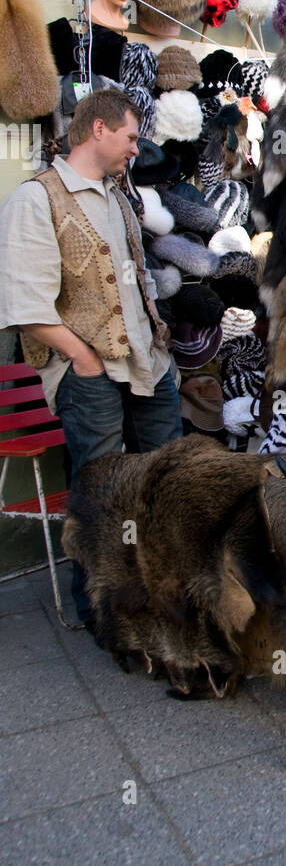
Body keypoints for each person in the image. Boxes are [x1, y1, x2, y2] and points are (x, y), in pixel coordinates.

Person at [0, 88, 182, 626]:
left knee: (165, 479)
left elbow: (135, 283)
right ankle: (102, 609)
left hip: (148, 365)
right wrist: (81, 357)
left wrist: (159, 346)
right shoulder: (36, 199)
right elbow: (25, 304)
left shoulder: (118, 197)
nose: (135, 149)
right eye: (130, 136)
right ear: (98, 130)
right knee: (101, 491)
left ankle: (160, 592)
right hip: (90, 373)